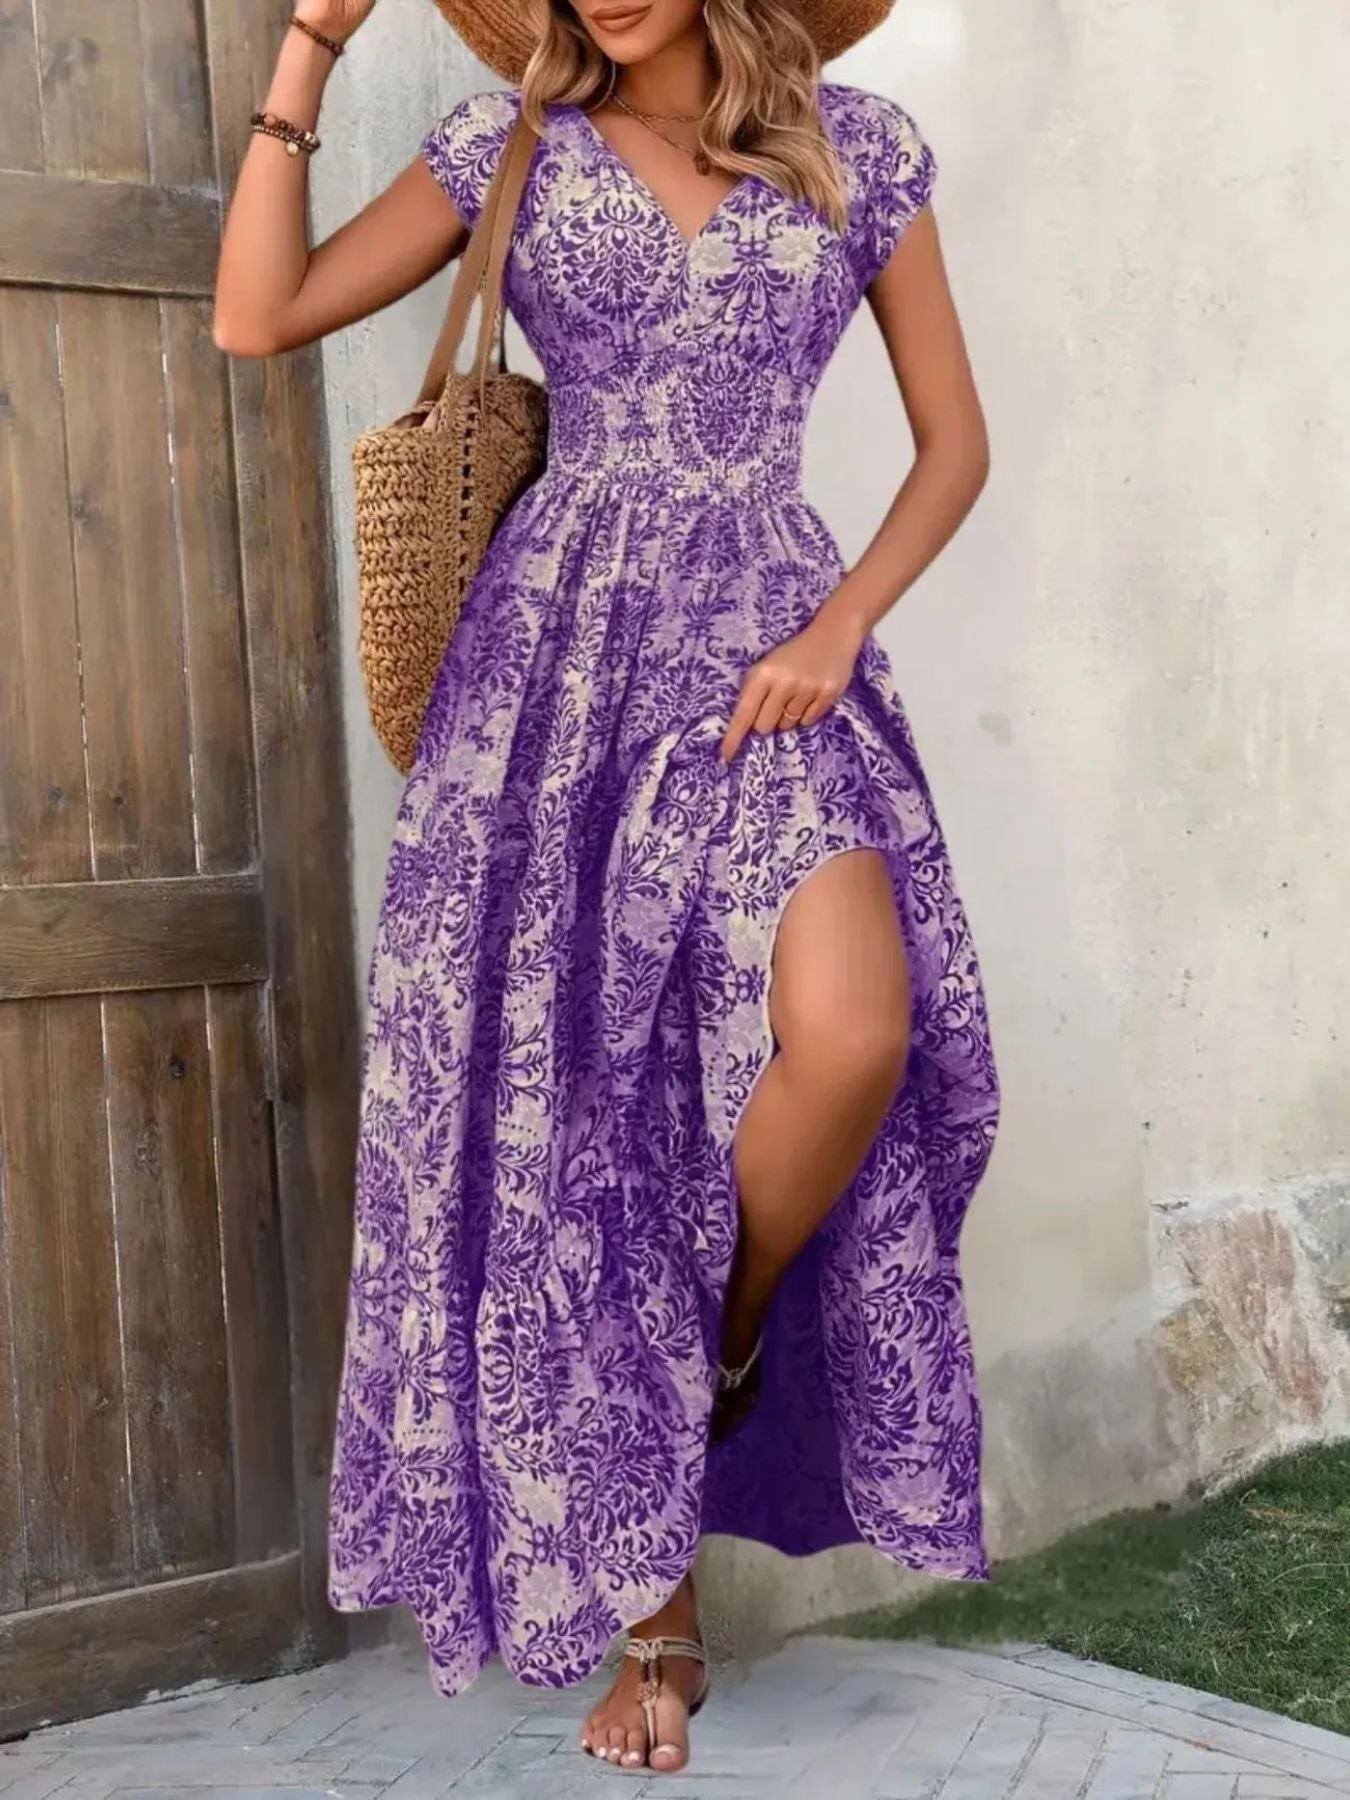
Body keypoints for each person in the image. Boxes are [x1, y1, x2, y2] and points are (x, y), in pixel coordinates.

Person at [214, 0, 1001, 1776]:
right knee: (588, 1111)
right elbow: (258, 315)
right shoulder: (509, 148)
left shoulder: (857, 150)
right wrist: (305, 51)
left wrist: (839, 625)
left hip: (772, 658)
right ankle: (656, 1635)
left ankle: (709, 1345)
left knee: (851, 1032)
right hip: (554, 683)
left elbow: (953, 443)